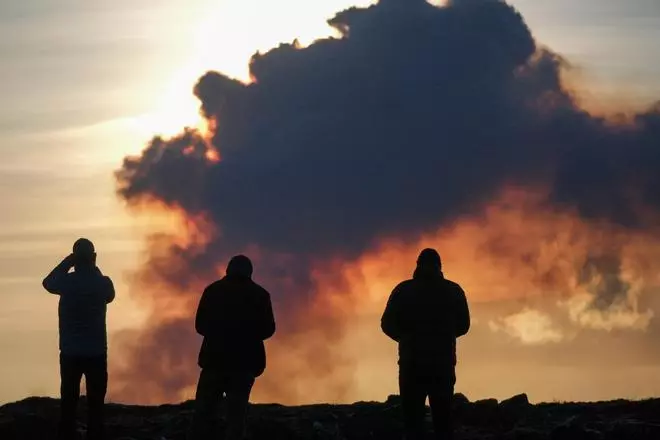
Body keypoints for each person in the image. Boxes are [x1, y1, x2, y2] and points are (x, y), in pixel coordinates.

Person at [381, 248, 470, 440]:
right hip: (442, 366)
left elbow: (386, 324)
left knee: (413, 425)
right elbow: (464, 325)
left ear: (418, 266)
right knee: (443, 423)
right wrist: (446, 338)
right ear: (439, 266)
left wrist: (404, 339)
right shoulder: (454, 291)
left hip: (411, 366)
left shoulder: (402, 290)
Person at [188, 255, 276, 440]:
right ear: (249, 272)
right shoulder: (260, 295)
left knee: (204, 414)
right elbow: (268, 329)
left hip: (214, 361)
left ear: (228, 269)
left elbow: (200, 325)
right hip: (244, 365)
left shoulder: (212, 291)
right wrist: (248, 336)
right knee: (236, 416)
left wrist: (219, 333)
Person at [42, 238, 115, 440]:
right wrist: (93, 268)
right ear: (93, 257)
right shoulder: (103, 282)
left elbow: (47, 282)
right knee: (96, 404)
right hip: (96, 352)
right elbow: (110, 295)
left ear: (75, 258)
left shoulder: (66, 282)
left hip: (70, 352)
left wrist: (67, 263)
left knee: (69, 401)